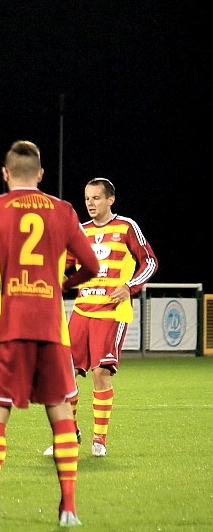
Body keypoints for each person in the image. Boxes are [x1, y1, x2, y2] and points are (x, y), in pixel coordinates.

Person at [0, 140, 100, 528]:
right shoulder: (64, 210)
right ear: (40, 174)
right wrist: (62, 284)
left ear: (5, 174)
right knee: (60, 411)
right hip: (52, 327)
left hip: (8, 326)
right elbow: (91, 266)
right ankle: (68, 509)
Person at [52, 177, 159, 458]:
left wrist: (129, 286)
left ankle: (99, 440)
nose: (90, 203)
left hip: (111, 312)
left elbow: (149, 261)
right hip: (82, 310)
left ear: (110, 199)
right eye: (87, 198)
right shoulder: (81, 231)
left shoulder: (126, 227)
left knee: (100, 372)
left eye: (96, 198)